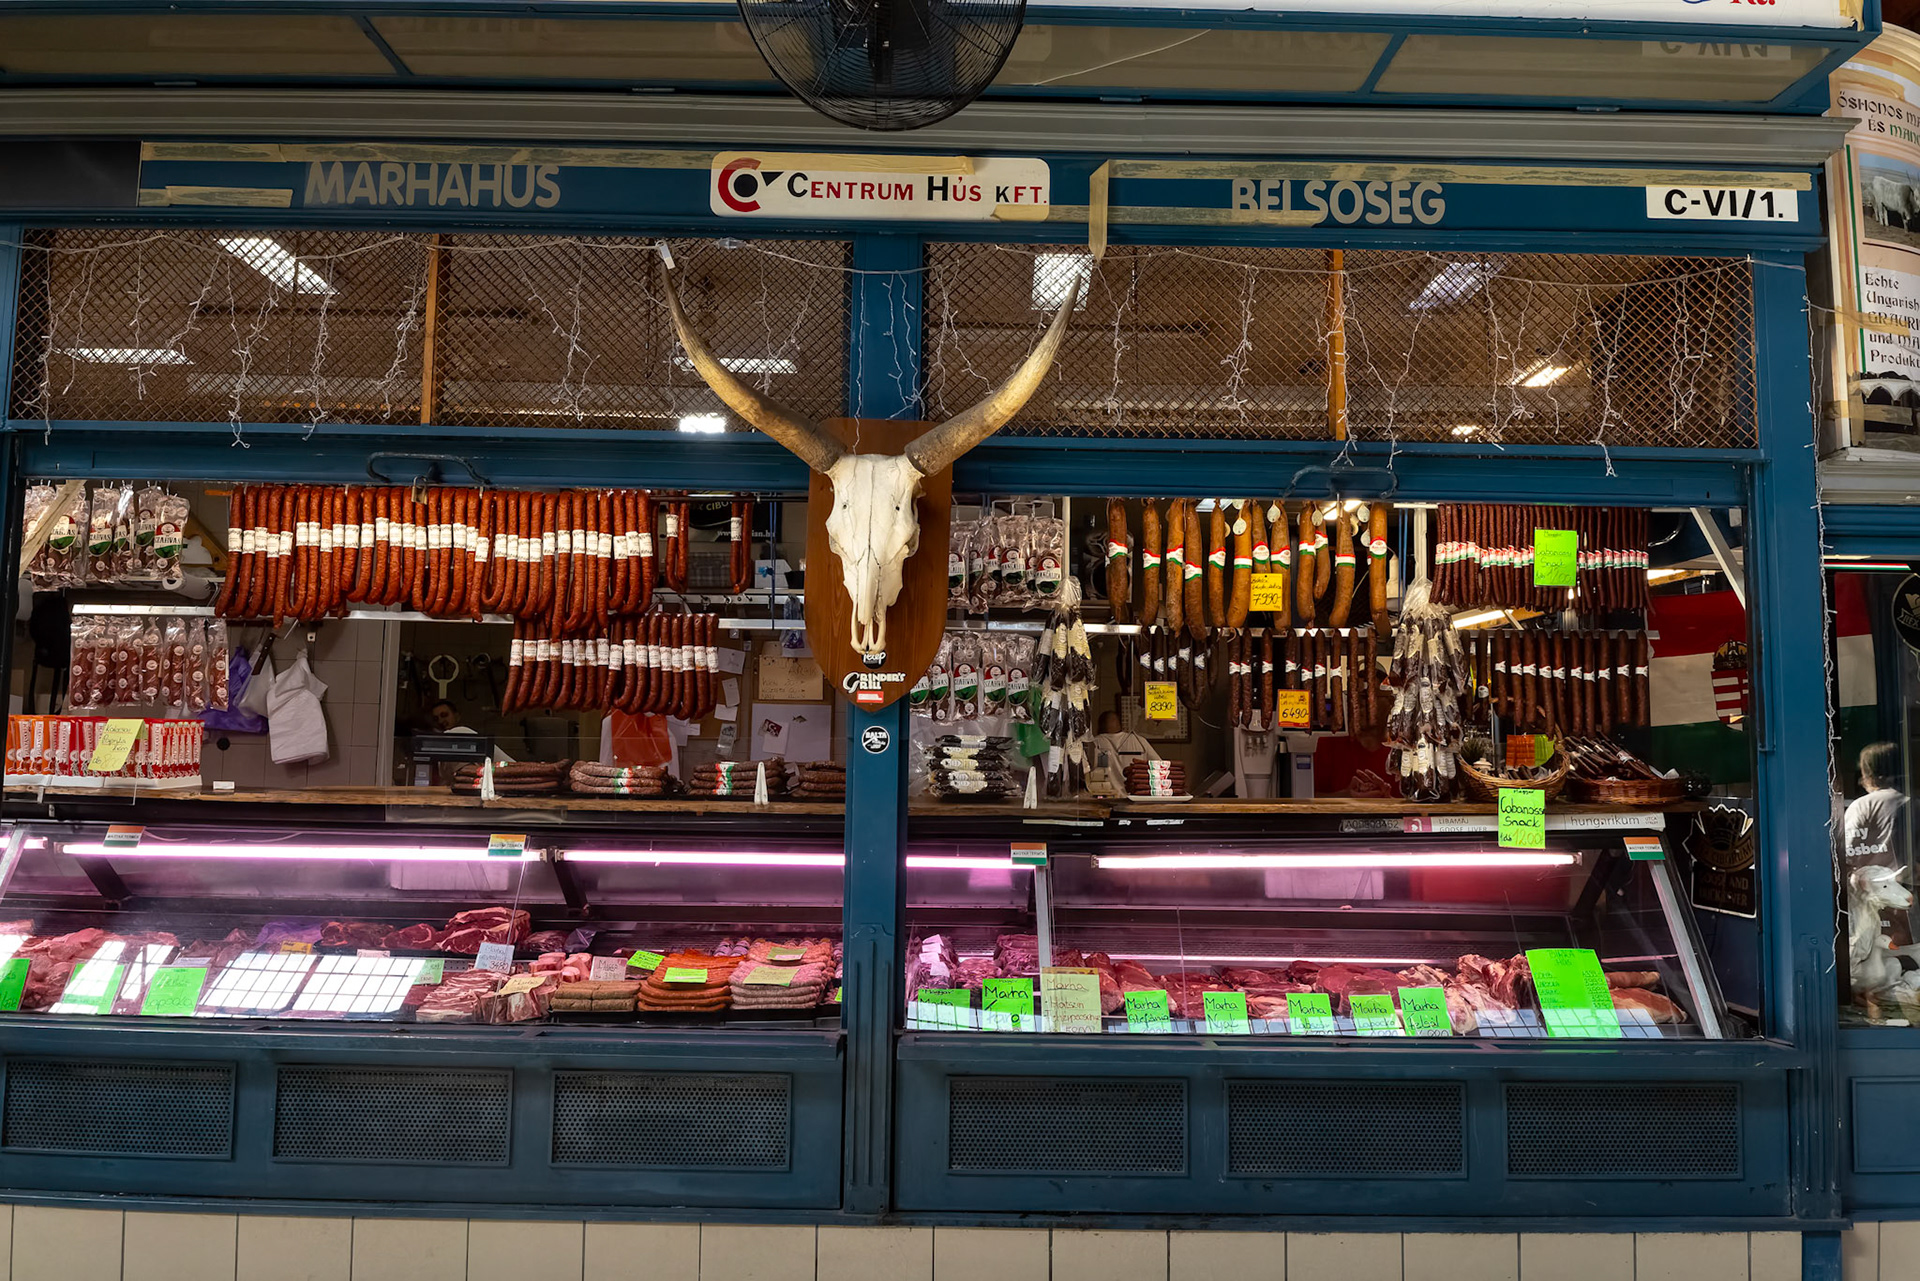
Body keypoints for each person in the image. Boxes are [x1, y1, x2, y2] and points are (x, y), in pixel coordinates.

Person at [1846, 741, 1908, 870]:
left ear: (1867, 772)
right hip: (1906, 882)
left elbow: (1847, 850)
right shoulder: (1913, 803)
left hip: (1871, 884)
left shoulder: (1863, 805)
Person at [1091, 710, 1160, 779]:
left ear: (1100, 725)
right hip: (1136, 788)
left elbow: (1092, 771)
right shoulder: (1139, 740)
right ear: (1120, 725)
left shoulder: (1096, 743)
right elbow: (1159, 765)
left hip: (1106, 789)